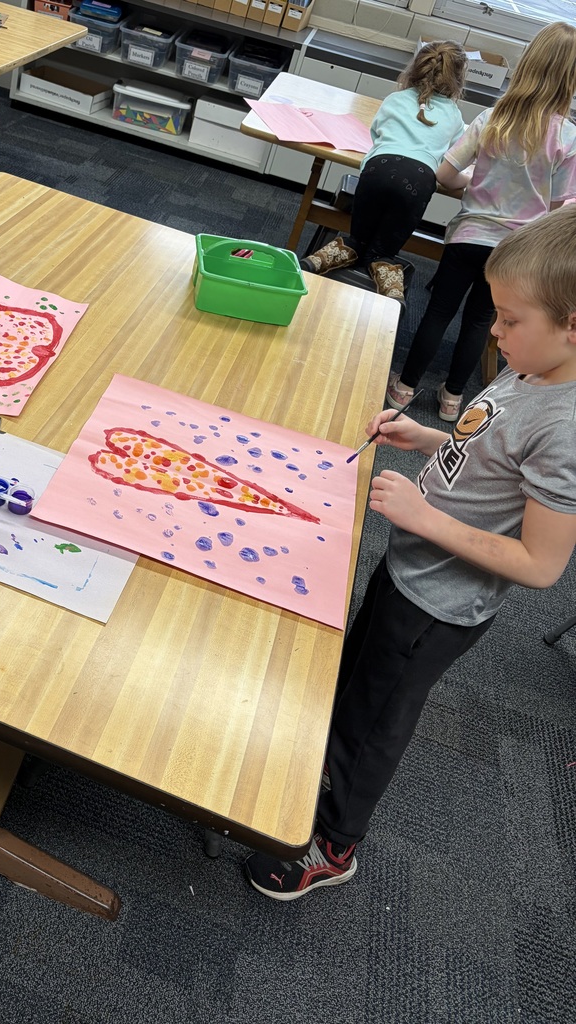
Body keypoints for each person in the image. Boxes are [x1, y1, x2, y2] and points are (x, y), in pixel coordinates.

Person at [246, 203, 576, 901]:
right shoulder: (532, 366)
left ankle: (333, 844)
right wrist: (425, 437)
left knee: (373, 723)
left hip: (438, 606)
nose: (493, 332)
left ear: (572, 327)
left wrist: (424, 517)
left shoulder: (567, 430)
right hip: (409, 568)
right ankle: (313, 775)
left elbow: (541, 566)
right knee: (351, 685)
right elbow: (485, 448)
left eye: (509, 320)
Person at [386, 21, 576, 422]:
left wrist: (472, 183)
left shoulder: (492, 118)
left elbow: (445, 175)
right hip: (515, 252)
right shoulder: (568, 138)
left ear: (526, 64)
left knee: (439, 311)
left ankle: (404, 387)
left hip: (468, 235)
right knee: (481, 321)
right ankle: (453, 398)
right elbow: (558, 209)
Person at [300, 39, 467, 302]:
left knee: (358, 238)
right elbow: (453, 154)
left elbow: (376, 131)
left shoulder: (395, 99)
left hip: (377, 170)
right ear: (457, 79)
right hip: (418, 181)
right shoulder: (455, 116)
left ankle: (320, 259)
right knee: (383, 252)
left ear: (415, 68)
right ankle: (390, 290)